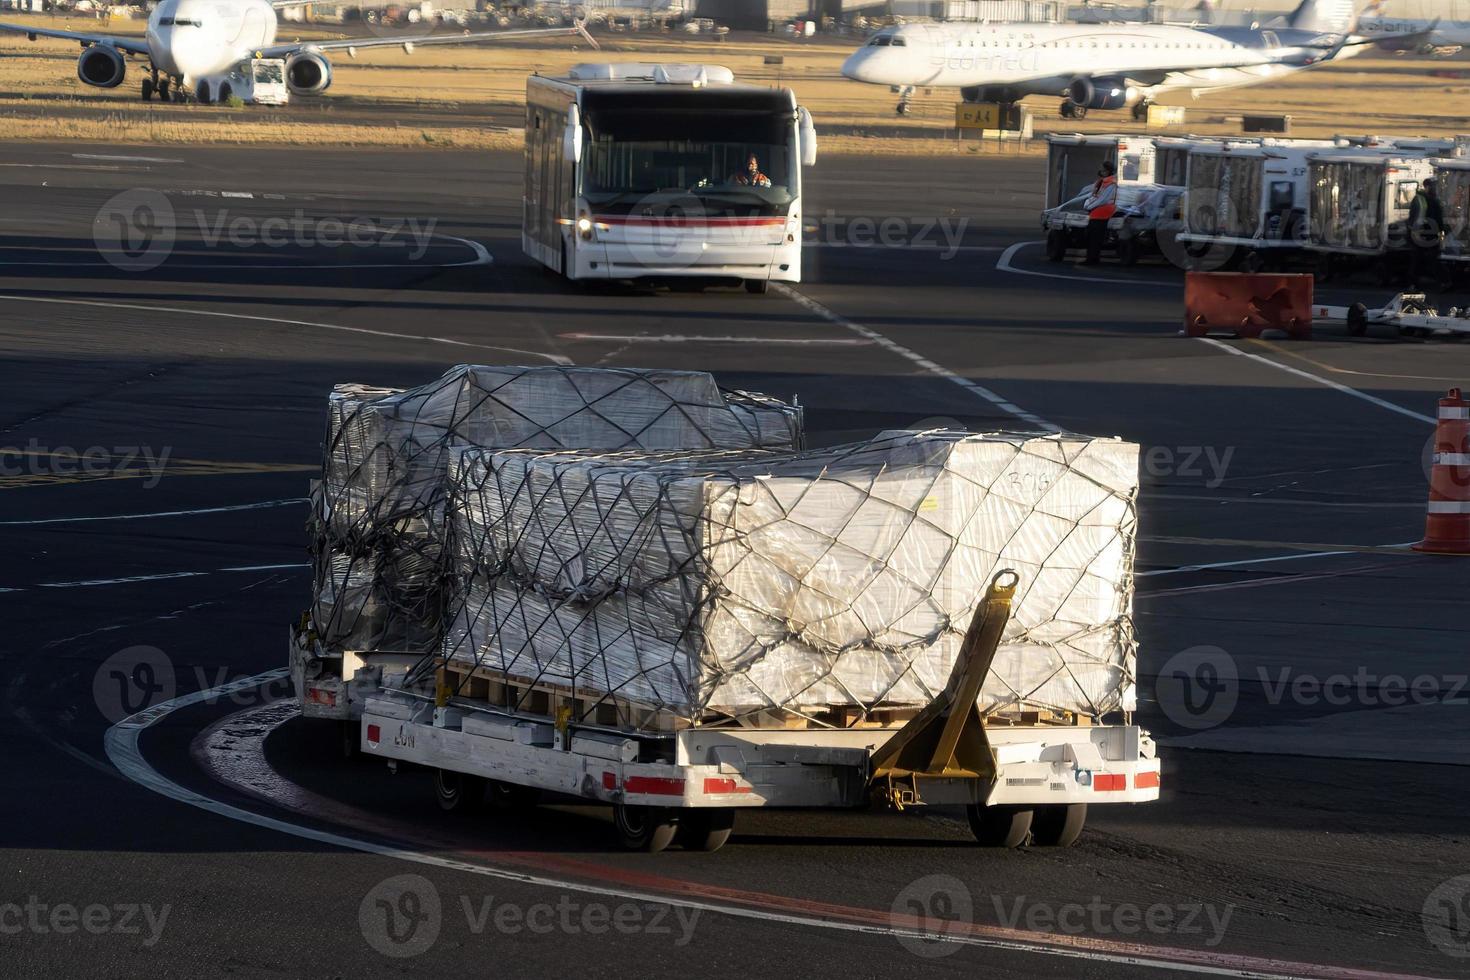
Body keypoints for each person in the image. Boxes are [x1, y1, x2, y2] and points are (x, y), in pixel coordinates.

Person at [1408, 178, 1445, 288]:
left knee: (1419, 259)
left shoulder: (1421, 198)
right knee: (1428, 258)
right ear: (1427, 187)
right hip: (1424, 234)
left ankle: (1414, 283)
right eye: (1433, 186)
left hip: (1423, 233)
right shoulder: (1428, 200)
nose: (1435, 188)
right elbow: (1436, 217)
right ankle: (1415, 283)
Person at [1081, 160, 1118, 266]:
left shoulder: (1111, 183)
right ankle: (1092, 258)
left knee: (1095, 238)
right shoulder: (1102, 182)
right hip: (1096, 212)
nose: (1101, 171)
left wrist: (1090, 206)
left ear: (1107, 171)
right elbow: (1094, 195)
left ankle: (1092, 259)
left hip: (1102, 213)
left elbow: (1103, 199)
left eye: (1102, 169)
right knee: (1092, 237)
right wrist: (1088, 204)